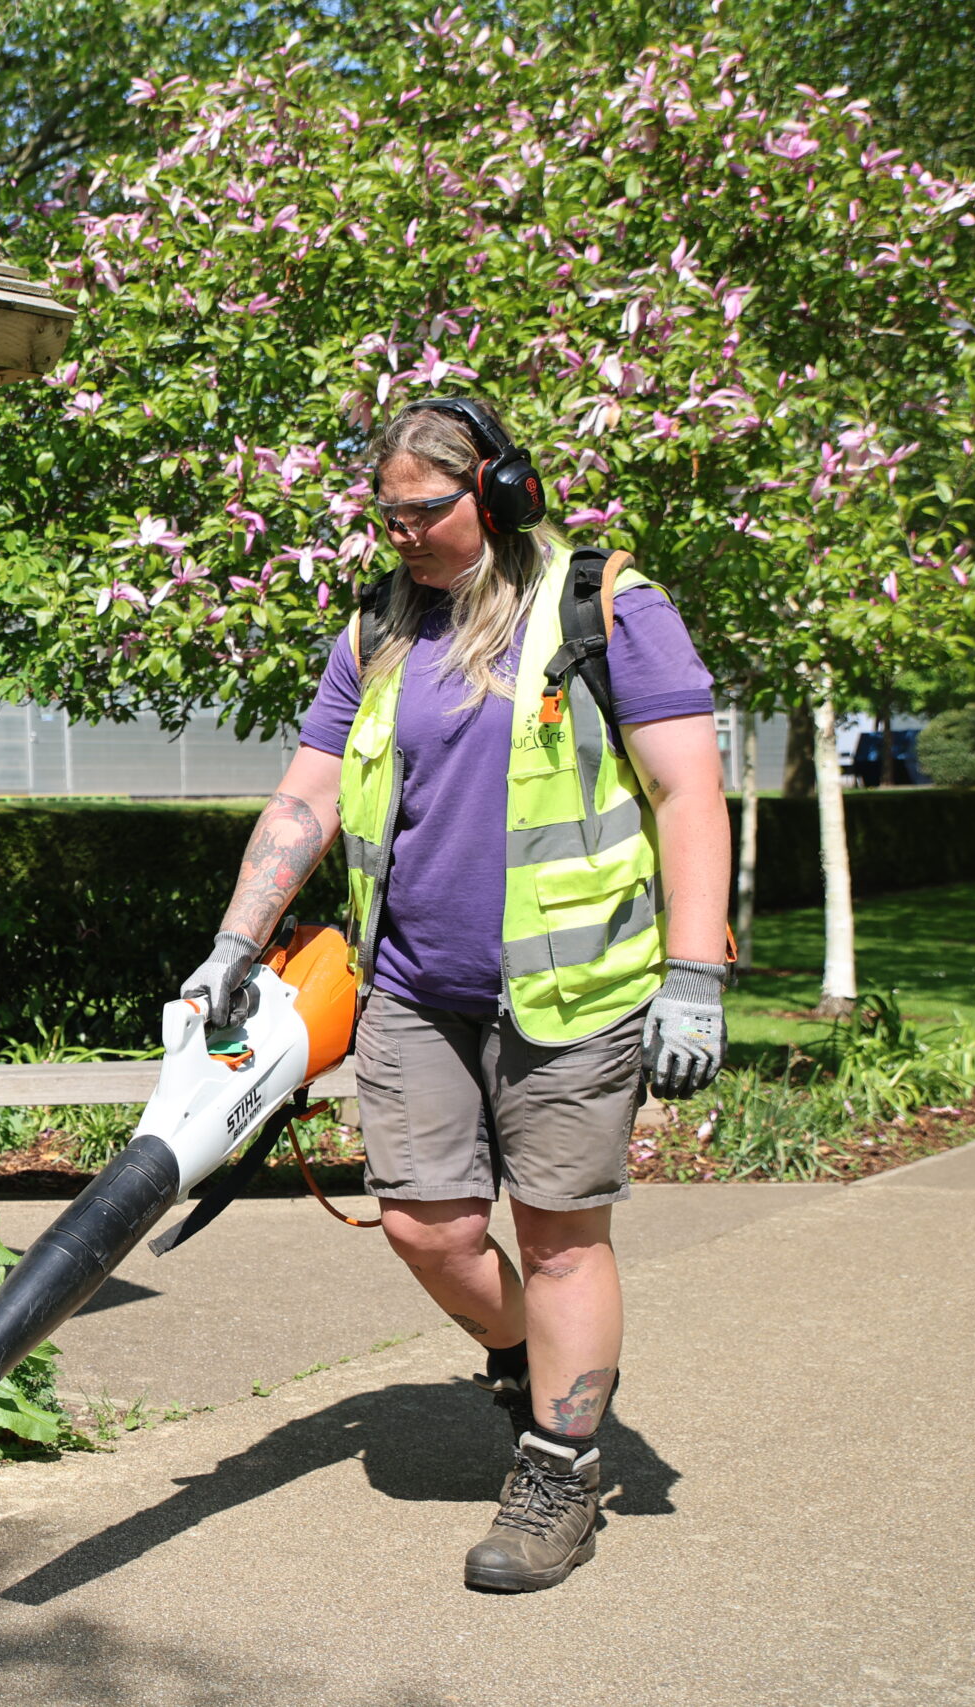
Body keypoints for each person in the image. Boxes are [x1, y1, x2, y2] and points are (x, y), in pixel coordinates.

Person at [182, 397, 730, 1593]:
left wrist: (695, 974)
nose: (401, 538)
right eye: (384, 517)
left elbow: (690, 791)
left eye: (423, 512)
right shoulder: (381, 626)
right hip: (413, 991)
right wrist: (237, 936)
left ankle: (557, 1471)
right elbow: (306, 797)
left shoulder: (605, 609)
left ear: (502, 491)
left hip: (574, 990)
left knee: (558, 1233)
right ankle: (536, 1362)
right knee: (429, 1227)